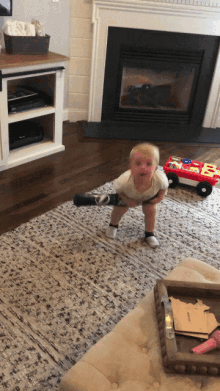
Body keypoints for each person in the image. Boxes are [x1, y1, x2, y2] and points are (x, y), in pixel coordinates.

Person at [106, 142, 168, 248]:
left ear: (156, 168)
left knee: (151, 211)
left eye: (148, 164)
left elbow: (163, 189)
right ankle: (113, 225)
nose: (143, 168)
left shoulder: (160, 179)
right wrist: (126, 200)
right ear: (131, 166)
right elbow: (118, 192)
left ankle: (149, 233)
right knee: (119, 208)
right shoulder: (124, 181)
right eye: (138, 163)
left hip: (150, 198)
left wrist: (158, 199)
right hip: (127, 196)